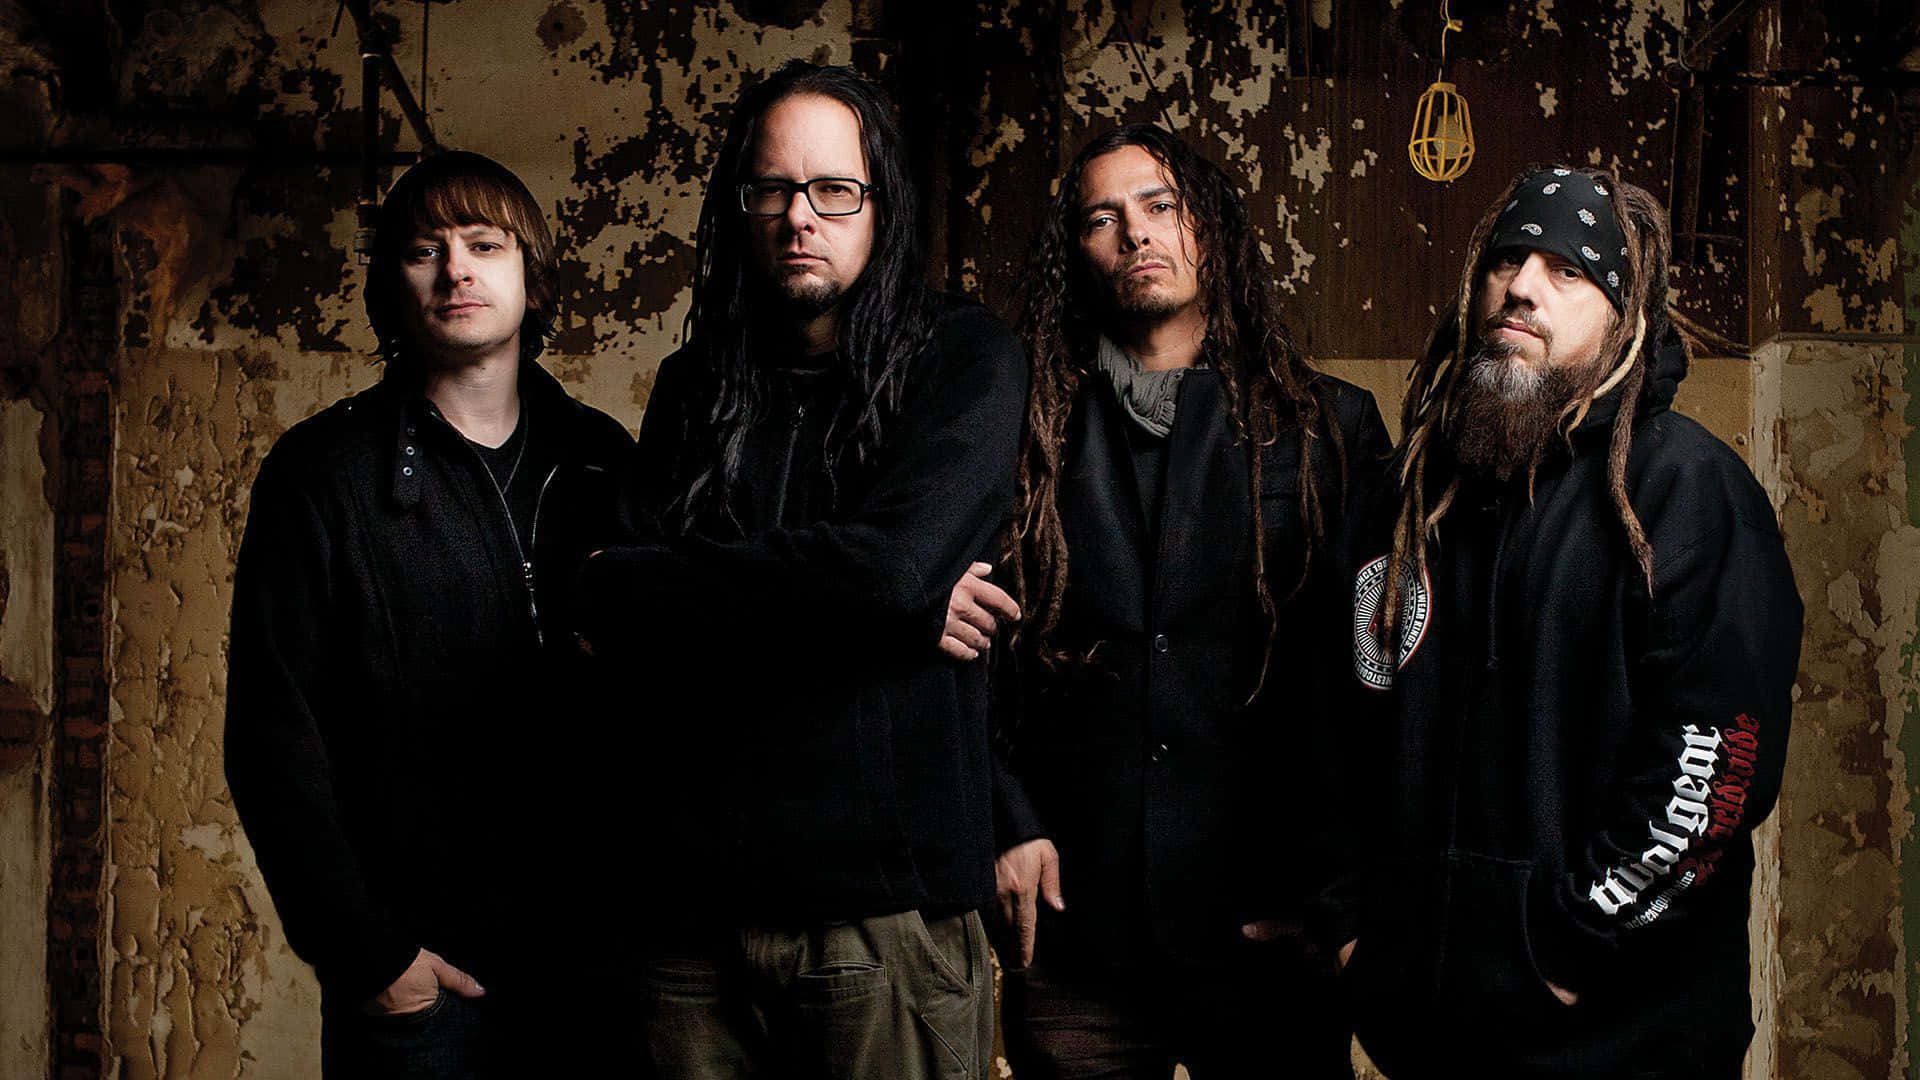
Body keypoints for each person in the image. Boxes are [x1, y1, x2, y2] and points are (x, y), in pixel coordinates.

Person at [577, 61, 1027, 1078]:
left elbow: (892, 569)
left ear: (880, 203)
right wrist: (896, 614)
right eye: (773, 189)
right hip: (693, 912)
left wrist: (684, 584)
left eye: (834, 190)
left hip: (883, 916)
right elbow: (612, 601)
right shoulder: (695, 386)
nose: (799, 217)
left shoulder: (966, 358)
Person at [1340, 165, 1801, 1077]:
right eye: (1508, 260)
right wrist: (1355, 931)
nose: (1523, 286)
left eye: (1569, 271)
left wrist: (1564, 948)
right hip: (1429, 1039)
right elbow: (1343, 719)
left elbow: (1711, 769)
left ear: (1622, 318)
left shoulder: (1684, 491)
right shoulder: (1411, 493)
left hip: (1624, 1038)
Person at [974, 124, 1389, 1078]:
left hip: (1266, 924)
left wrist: (1338, 890)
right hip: (1078, 925)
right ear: (1075, 252)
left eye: (1160, 205)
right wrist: (1008, 818)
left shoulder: (1328, 425)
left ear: (1210, 226)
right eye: (1102, 218)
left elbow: (1375, 674)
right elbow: (976, 640)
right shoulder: (1022, 427)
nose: (1136, 234)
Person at [224, 151, 633, 1077]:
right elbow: (270, 734)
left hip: (596, 970)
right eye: (424, 250)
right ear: (392, 286)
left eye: (484, 244)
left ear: (531, 272)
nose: (456, 269)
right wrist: (372, 957)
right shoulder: (320, 475)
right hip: (422, 987)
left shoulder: (604, 461)